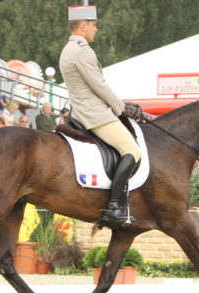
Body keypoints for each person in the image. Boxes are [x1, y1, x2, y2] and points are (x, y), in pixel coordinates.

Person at [59, 5, 142, 228]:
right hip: (95, 115)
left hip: (80, 111)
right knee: (132, 150)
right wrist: (121, 107)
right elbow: (99, 85)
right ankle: (113, 205)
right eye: (94, 25)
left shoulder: (67, 49)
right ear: (83, 26)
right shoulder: (82, 50)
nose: (96, 30)